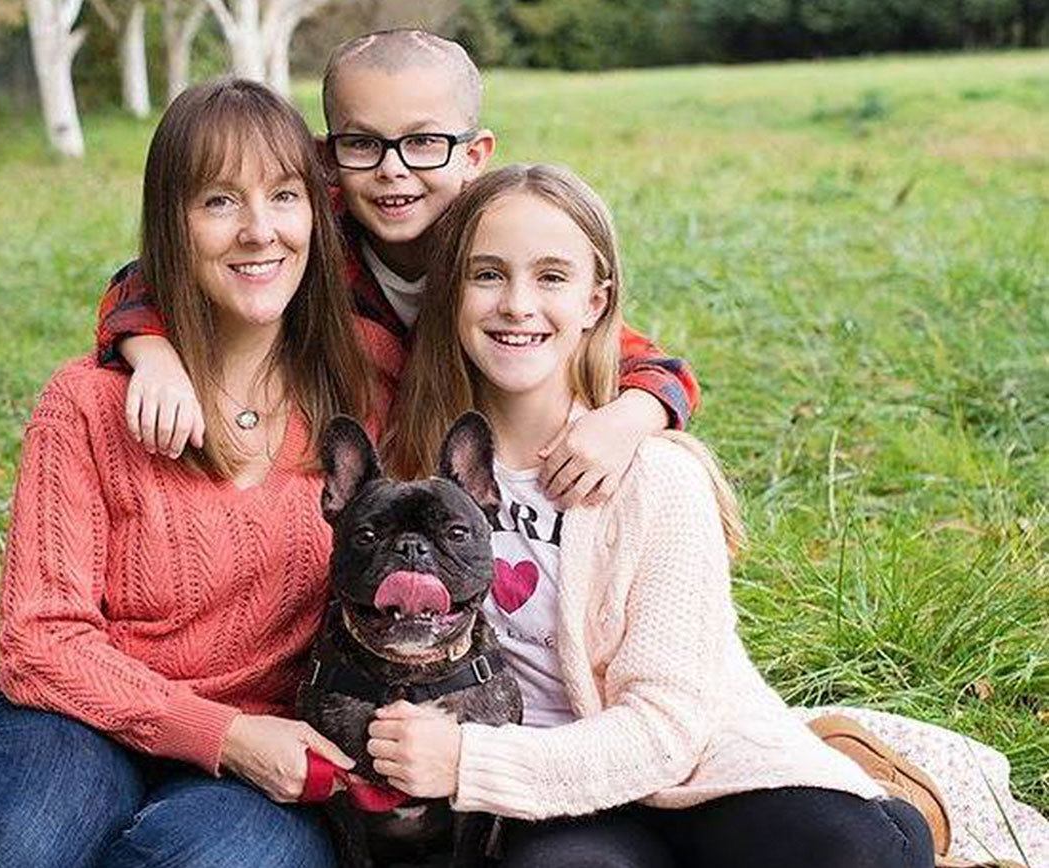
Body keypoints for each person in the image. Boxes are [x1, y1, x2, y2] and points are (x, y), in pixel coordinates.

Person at [0, 78, 396, 868]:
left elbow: (537, 330)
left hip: (272, 735)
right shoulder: (88, 404)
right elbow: (38, 642)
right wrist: (217, 734)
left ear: (317, 216)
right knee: (6, 844)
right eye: (220, 202)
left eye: (285, 197)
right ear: (172, 226)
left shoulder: (368, 389)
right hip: (81, 716)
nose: (260, 231)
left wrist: (632, 399)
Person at [372, 164, 935, 868]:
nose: (517, 304)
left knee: (856, 852)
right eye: (488, 275)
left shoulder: (655, 477)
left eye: (551, 278)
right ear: (450, 294)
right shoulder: (416, 480)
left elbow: (668, 728)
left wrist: (467, 759)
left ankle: (886, 807)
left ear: (596, 300)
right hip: (552, 785)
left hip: (700, 764)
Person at [94, 29, 699, 511]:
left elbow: (647, 362)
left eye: (424, 143)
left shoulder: (498, 247)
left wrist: (628, 418)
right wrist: (154, 354)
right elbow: (151, 276)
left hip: (488, 471)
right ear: (327, 158)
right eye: (363, 144)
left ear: (474, 155)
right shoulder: (311, 234)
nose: (394, 170)